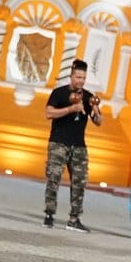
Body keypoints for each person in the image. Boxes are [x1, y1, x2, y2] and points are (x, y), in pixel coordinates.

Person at [43, 57, 102, 231]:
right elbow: (48, 113)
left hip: (79, 146)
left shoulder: (89, 97)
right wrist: (70, 109)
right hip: (58, 143)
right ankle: (49, 214)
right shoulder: (59, 93)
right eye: (78, 77)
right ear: (71, 76)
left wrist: (97, 111)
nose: (81, 81)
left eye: (83, 78)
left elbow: (98, 121)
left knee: (80, 182)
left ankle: (74, 219)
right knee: (53, 178)